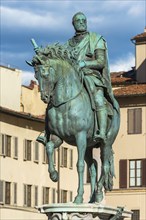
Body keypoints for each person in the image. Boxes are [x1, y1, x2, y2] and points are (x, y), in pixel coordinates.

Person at [65, 11, 117, 144]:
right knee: (54, 94)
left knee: (99, 99)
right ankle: (48, 130)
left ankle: (102, 131)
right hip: (73, 78)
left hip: (91, 76)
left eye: (84, 20)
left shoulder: (96, 39)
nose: (82, 22)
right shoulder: (67, 44)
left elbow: (101, 62)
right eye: (78, 20)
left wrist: (84, 63)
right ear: (73, 24)